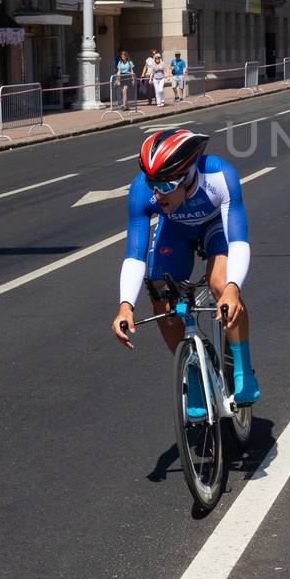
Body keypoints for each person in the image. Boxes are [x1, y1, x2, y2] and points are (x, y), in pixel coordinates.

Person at [111, 128, 259, 407]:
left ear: (189, 174)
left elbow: (238, 241)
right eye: (153, 182)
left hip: (215, 227)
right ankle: (193, 376)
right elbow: (134, 255)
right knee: (161, 296)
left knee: (219, 284)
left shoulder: (219, 175)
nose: (158, 193)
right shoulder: (142, 190)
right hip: (176, 231)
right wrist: (125, 305)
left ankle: (243, 369)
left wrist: (232, 289)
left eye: (166, 185)